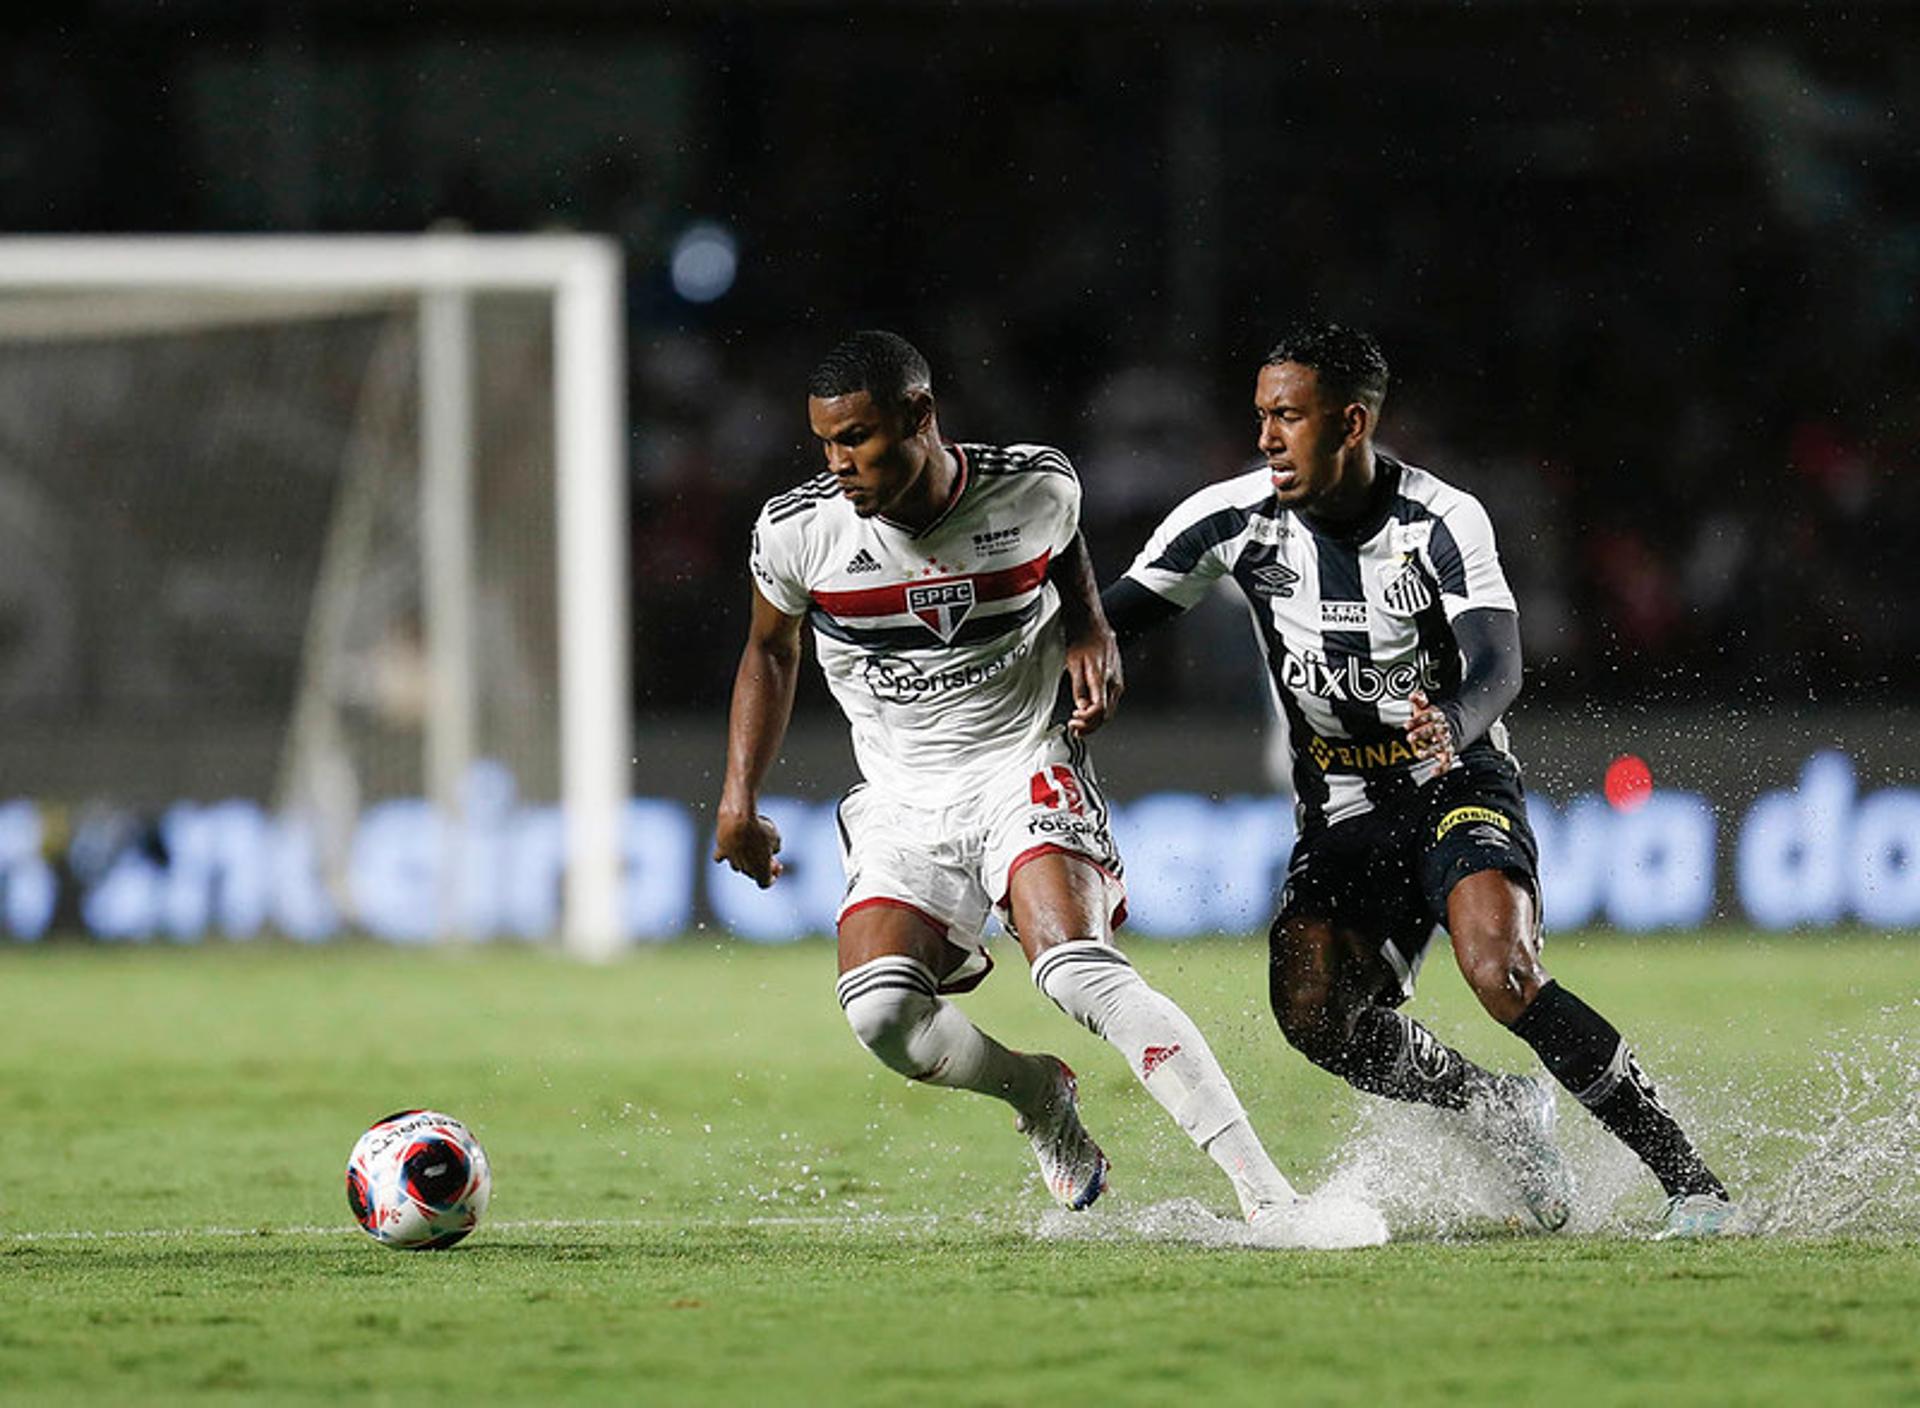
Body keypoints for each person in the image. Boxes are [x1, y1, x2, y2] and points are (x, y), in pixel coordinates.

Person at [713, 329, 1383, 1248]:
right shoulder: (799, 533)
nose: (841, 466)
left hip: (1023, 764)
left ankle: (1270, 1196)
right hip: (903, 799)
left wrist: (1088, 627)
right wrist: (737, 797)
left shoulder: (1031, 487)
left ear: (920, 416)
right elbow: (770, 648)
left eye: (859, 439)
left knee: (1076, 971)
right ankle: (1039, 1096)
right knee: (881, 1015)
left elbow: (1066, 555)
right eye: (826, 443)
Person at [1100, 322, 1736, 1239]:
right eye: (1261, 416)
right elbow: (1111, 614)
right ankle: (1497, 1109)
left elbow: (1499, 665)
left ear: (1351, 422)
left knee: (1502, 971)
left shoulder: (1441, 519)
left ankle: (1693, 1184)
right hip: (1340, 811)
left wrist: (1456, 723)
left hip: (1455, 781)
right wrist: (1058, 650)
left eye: (1290, 417)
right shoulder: (1229, 520)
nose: (1267, 437)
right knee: (1315, 1014)